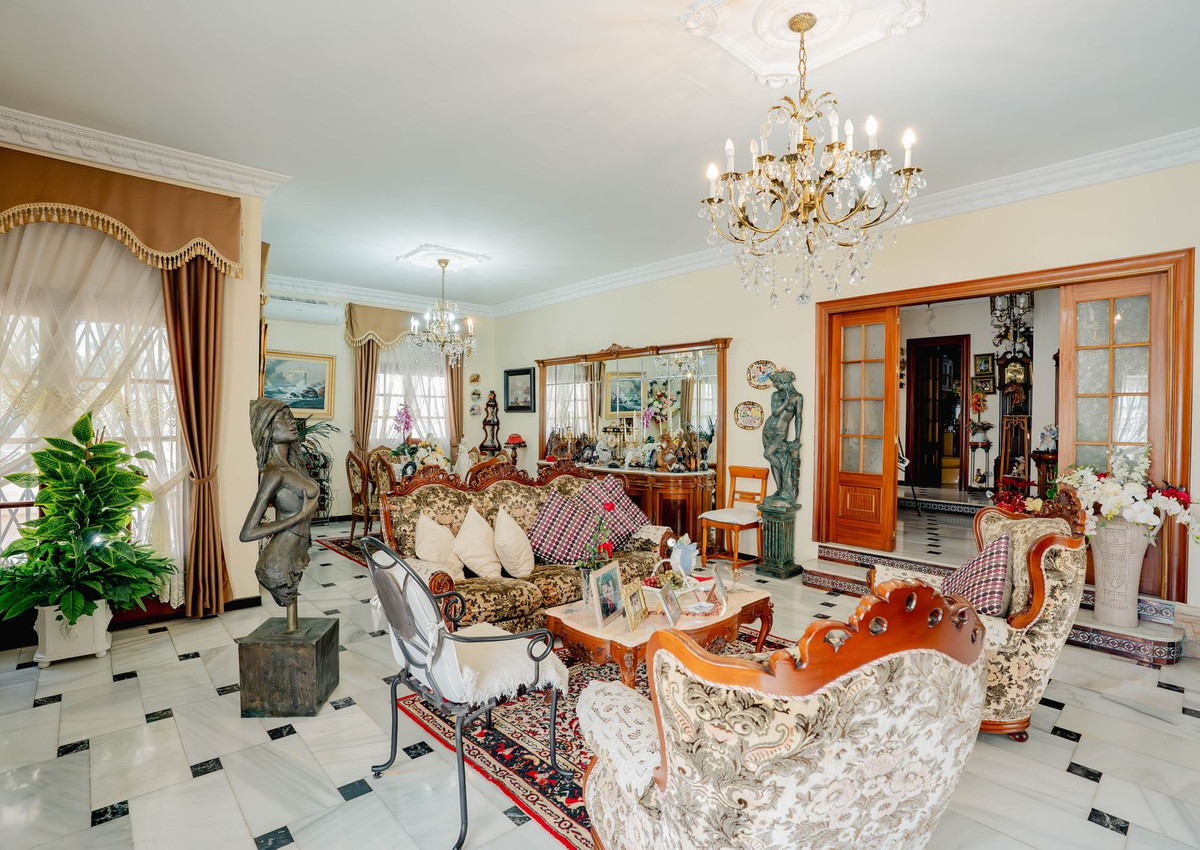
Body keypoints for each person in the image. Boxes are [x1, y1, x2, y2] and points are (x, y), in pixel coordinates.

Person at [240, 398, 320, 608]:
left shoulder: (291, 467)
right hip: (278, 563)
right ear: (267, 429)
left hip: (296, 552)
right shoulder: (274, 473)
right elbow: (247, 533)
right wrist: (299, 516)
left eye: (291, 417)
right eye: (283, 418)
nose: (292, 422)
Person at [762, 370, 803, 508]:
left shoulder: (797, 397)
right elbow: (775, 412)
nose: (774, 385)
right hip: (768, 430)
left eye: (776, 383)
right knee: (771, 459)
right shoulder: (775, 395)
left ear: (786, 382)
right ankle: (779, 489)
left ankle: (784, 485)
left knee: (769, 455)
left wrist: (797, 437)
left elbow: (798, 418)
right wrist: (785, 402)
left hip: (780, 433)